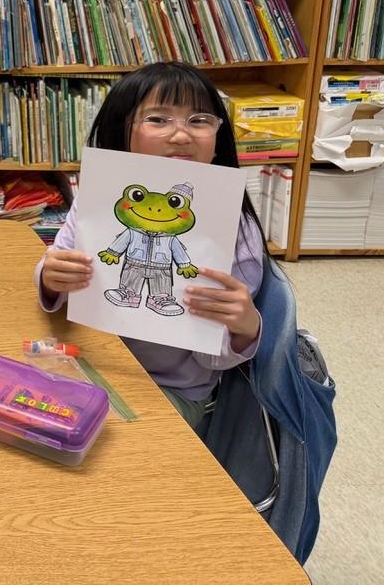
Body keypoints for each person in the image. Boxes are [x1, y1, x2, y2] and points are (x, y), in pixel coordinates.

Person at [37, 62, 267, 433]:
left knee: (82, 445)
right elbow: (55, 282)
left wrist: (245, 328)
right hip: (88, 363)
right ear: (121, 129)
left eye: (199, 120)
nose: (180, 135)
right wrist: (51, 277)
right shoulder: (102, 199)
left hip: (171, 390)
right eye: (158, 120)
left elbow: (215, 357)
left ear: (217, 136)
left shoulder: (234, 229)